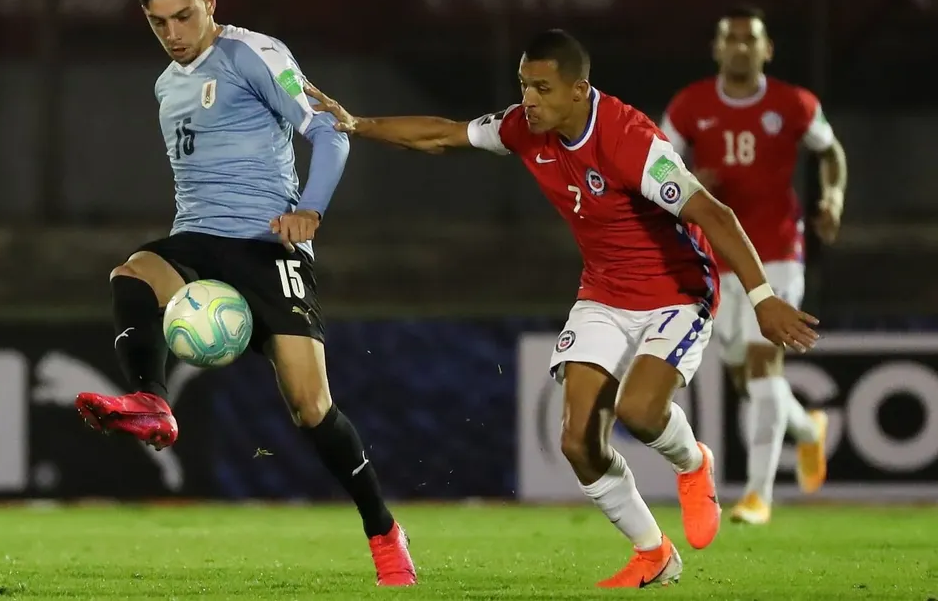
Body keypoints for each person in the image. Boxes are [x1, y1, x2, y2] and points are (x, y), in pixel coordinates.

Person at [304, 29, 819, 588]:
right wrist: (357, 124)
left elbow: (715, 214)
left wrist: (763, 298)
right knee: (576, 441)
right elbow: (443, 136)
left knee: (642, 412)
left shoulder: (631, 141)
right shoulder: (524, 128)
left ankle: (694, 463)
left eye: (542, 88)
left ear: (579, 89)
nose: (529, 98)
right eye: (524, 85)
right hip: (603, 292)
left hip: (675, 292)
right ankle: (654, 552)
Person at [72, 0, 416, 586]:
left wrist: (310, 211)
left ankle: (383, 531)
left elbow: (330, 132)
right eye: (158, 22)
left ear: (211, 3)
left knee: (312, 409)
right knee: (132, 273)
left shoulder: (254, 54)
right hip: (198, 241)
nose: (173, 34)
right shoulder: (166, 86)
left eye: (183, 16)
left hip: (269, 248)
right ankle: (152, 400)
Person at [659, 5, 847, 525]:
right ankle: (809, 430)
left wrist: (831, 198)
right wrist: (690, 179)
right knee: (746, 374)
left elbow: (831, 153)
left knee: (764, 364)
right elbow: (654, 164)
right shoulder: (690, 106)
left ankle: (758, 495)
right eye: (731, 39)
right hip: (716, 259)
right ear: (717, 48)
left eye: (751, 39)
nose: (741, 47)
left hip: (779, 253)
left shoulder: (793, 104)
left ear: (767, 49)